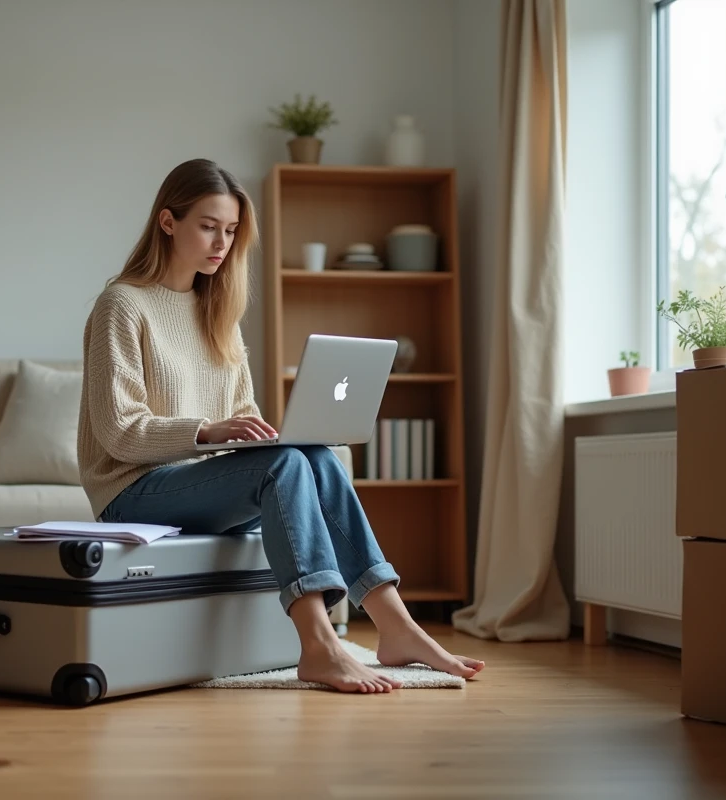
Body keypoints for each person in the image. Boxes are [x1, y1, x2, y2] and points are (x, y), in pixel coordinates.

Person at [76, 158, 483, 694]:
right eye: (207, 226)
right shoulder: (122, 305)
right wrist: (209, 431)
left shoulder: (218, 312)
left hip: (195, 486)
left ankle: (396, 625)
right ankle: (318, 645)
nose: (221, 243)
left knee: (311, 455)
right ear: (168, 222)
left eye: (230, 231)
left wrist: (256, 432)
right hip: (131, 491)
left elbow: (243, 418)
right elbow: (119, 432)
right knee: (286, 464)